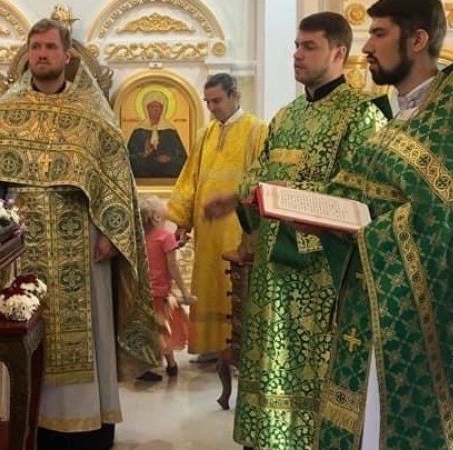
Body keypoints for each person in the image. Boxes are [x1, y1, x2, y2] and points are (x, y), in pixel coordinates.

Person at [310, 1, 453, 448]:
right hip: (377, 306)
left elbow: (441, 218)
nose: (366, 48)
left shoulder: (451, 122)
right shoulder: (397, 121)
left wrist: (362, 226)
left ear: (417, 40)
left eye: (379, 34)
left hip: (426, 317)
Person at [0, 18, 160, 450]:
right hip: (24, 241)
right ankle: (30, 424)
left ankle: (89, 426)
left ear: (67, 55)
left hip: (83, 243)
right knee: (25, 327)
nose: (42, 54)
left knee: (87, 333)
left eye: (50, 46)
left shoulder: (91, 114)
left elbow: (116, 181)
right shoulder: (6, 113)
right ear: (27, 53)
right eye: (35, 47)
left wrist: (113, 231)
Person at [203, 12, 390, 450]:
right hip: (272, 270)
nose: (297, 55)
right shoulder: (286, 116)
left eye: (310, 46)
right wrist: (238, 197)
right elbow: (258, 175)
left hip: (320, 280)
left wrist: (293, 194)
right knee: (269, 366)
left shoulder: (362, 116)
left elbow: (361, 199)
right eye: (296, 46)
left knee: (311, 382)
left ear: (339, 52)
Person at [167, 73, 267, 363]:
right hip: (206, 227)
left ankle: (238, 347)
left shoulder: (256, 130)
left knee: (234, 284)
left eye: (217, 100)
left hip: (238, 226)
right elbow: (190, 179)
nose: (212, 107)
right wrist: (183, 222)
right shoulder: (205, 134)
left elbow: (262, 177)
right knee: (208, 282)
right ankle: (211, 346)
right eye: (207, 101)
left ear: (235, 95)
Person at [138, 195, 195, 381]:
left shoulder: (142, 237)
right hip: (162, 292)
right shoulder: (166, 237)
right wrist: (184, 291)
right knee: (165, 328)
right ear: (156, 217)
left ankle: (147, 365)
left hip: (145, 292)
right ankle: (171, 364)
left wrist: (176, 245)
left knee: (150, 329)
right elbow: (172, 266)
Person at [127, 91, 188, 178]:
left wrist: (169, 159)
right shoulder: (139, 131)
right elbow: (127, 158)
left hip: (168, 176)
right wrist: (143, 155)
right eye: (152, 106)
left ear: (163, 109)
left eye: (158, 106)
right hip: (143, 177)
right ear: (146, 109)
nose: (155, 109)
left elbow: (182, 158)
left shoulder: (170, 131)